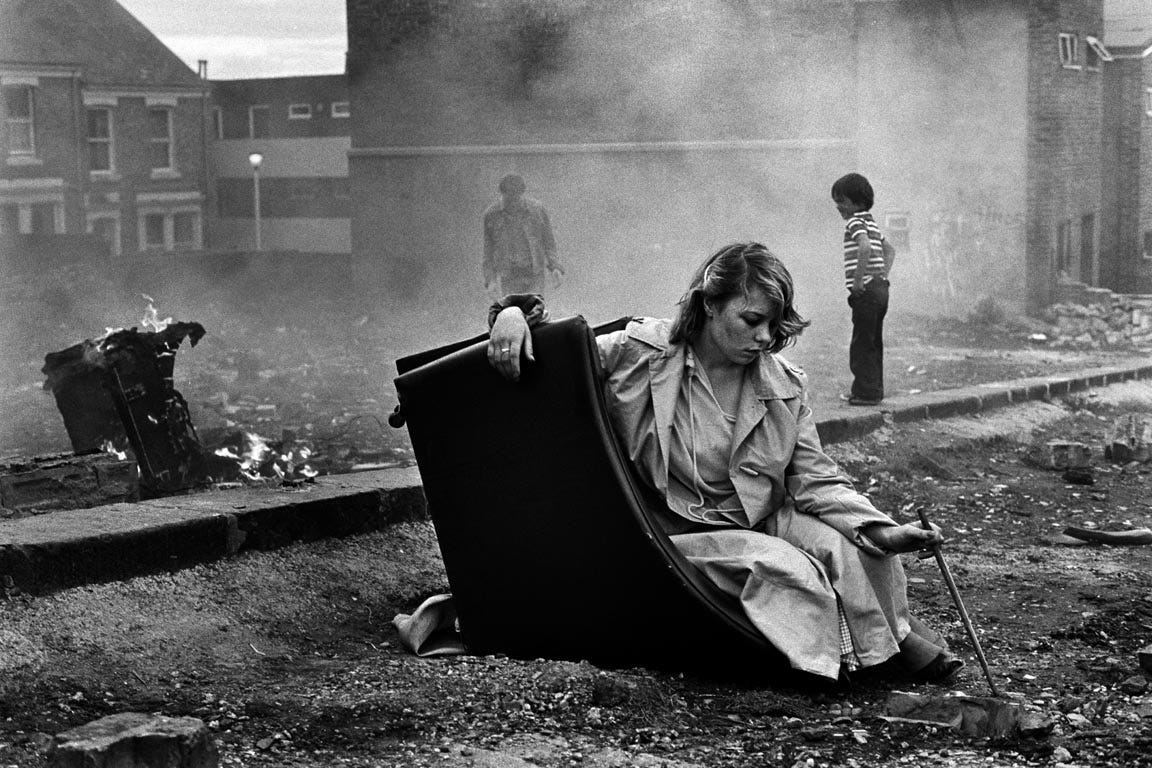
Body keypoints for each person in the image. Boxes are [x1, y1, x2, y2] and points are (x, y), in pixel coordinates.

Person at [486, 242, 961, 684]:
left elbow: (817, 482)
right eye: (752, 319)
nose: (765, 337)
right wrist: (509, 314)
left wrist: (883, 531)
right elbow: (555, 350)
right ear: (709, 304)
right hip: (668, 532)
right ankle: (866, 660)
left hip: (760, 518)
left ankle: (887, 645)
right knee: (788, 567)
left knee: (859, 551)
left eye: (774, 326)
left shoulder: (786, 386)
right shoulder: (640, 352)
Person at [832, 172, 896, 406]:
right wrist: (882, 276)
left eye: (842, 201)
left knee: (861, 343)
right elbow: (889, 250)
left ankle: (865, 394)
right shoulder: (871, 222)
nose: (838, 206)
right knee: (872, 342)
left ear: (857, 202)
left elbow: (865, 246)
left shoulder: (855, 222)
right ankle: (873, 391)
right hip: (880, 290)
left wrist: (859, 281)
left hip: (867, 292)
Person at [482, 174, 563, 298]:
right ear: (502, 194)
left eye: (516, 198)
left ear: (522, 193)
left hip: (534, 275)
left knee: (534, 313)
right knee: (513, 313)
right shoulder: (491, 215)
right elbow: (488, 253)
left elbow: (549, 243)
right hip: (509, 277)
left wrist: (555, 268)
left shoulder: (537, 211)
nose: (513, 203)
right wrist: (490, 281)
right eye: (509, 199)